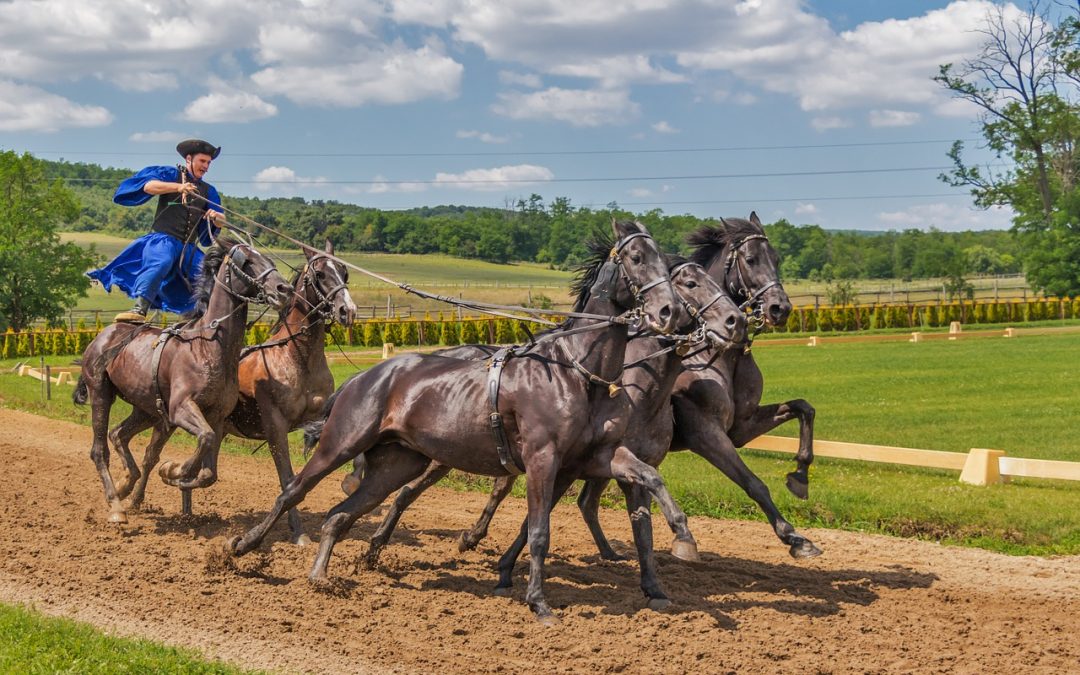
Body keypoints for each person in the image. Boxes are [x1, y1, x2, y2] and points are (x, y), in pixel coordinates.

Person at [89, 139, 225, 322]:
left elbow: (222, 219)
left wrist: (216, 218)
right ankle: (139, 309)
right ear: (189, 159)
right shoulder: (170, 174)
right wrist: (178, 187)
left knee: (212, 275)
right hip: (163, 240)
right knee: (162, 261)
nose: (206, 166)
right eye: (202, 161)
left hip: (189, 248)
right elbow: (148, 186)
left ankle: (204, 318)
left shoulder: (209, 191)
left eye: (209, 163)